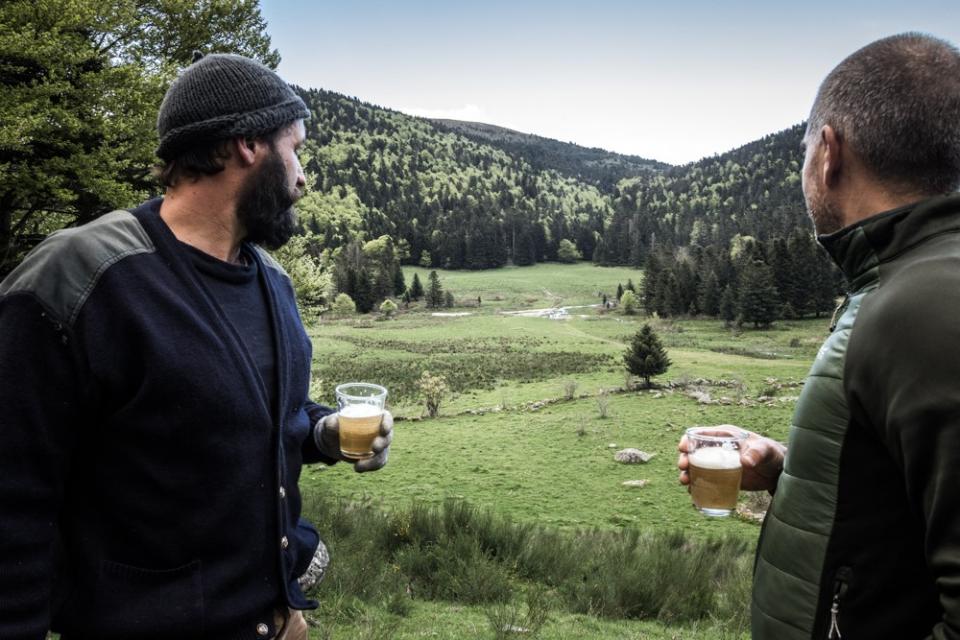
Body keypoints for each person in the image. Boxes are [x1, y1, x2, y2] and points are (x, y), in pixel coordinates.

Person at [0, 53, 392, 640]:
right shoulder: (84, 276)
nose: (304, 177)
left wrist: (319, 433)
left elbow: (255, 417)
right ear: (247, 146)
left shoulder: (272, 282)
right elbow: (12, 500)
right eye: (297, 150)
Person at [678, 33, 960, 639]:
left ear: (828, 153)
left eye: (804, 155)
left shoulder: (922, 305)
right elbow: (903, 511)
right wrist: (792, 469)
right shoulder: (916, 277)